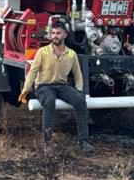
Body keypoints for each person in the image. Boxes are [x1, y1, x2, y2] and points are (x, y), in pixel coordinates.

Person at [20, 20, 92, 153]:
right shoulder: (42, 52)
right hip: (44, 87)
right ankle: (47, 143)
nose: (55, 36)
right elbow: (33, 72)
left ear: (65, 35)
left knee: (81, 102)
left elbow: (78, 74)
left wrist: (79, 90)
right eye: (53, 33)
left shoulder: (71, 54)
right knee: (49, 101)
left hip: (62, 86)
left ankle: (83, 141)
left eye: (58, 33)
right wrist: (25, 90)